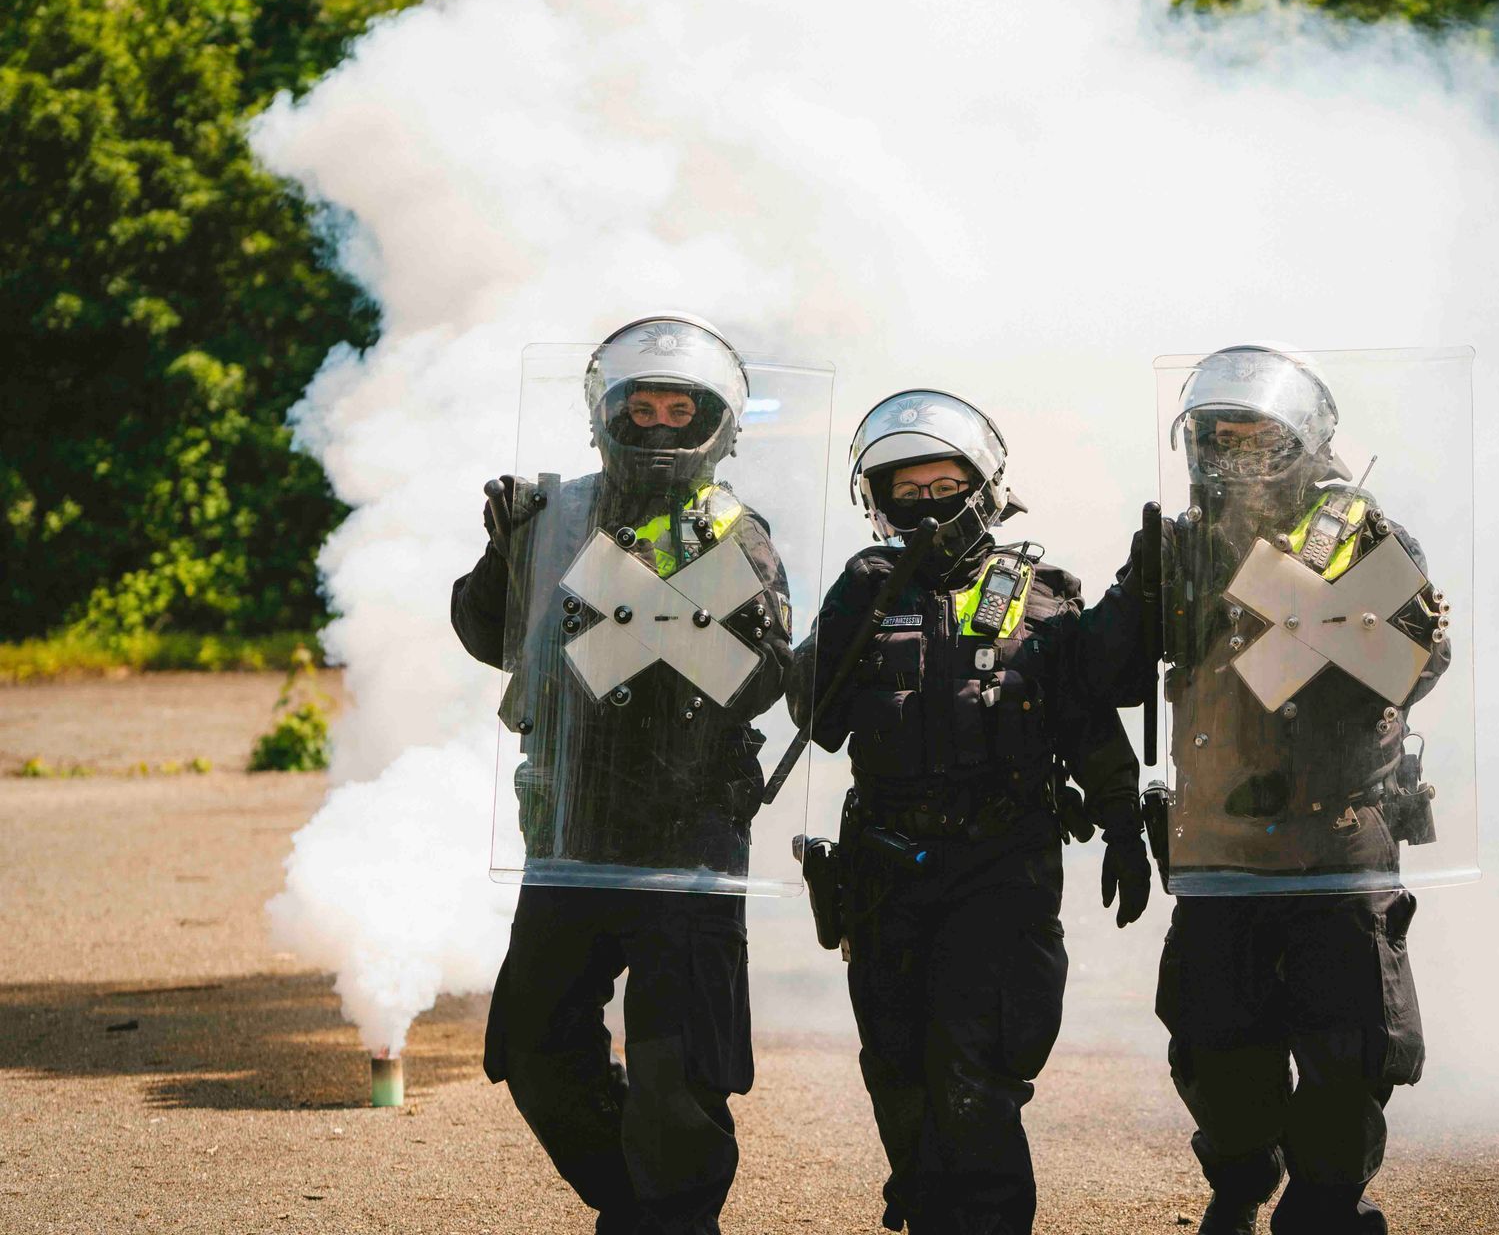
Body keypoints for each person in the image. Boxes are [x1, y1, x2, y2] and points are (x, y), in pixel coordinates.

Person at [1075, 344, 1451, 1235]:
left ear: (1304, 439)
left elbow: (1419, 669)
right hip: (1221, 851)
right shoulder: (1180, 544)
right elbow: (1103, 672)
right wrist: (1139, 587)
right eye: (1219, 435)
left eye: (1257, 435)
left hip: (1339, 847)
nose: (1236, 453)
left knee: (1345, 1059)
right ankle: (1240, 1180)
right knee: (1217, 1060)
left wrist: (1357, 625)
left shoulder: (1360, 532)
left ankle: (1325, 1206)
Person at [451, 314, 794, 1235]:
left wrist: (626, 595)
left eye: (679, 407)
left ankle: (670, 1221)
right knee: (532, 1046)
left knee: (675, 1071)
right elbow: (493, 642)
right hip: (571, 826)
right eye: (638, 407)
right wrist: (504, 548)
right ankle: (638, 1207)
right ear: (605, 413)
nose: (656, 423)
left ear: (715, 422)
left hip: (686, 835)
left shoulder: (732, 529)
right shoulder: (555, 512)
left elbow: (752, 681)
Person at [788, 389, 1152, 1235]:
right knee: (898, 1070)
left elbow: (1089, 728)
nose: (927, 504)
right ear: (877, 500)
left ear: (982, 483)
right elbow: (819, 720)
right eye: (905, 491)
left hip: (1003, 868)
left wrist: (1126, 825)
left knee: (976, 1078)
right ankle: (923, 1198)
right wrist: (848, 614)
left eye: (942, 483)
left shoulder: (1042, 597)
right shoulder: (866, 592)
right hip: (885, 868)